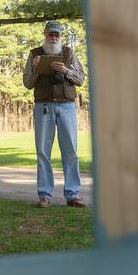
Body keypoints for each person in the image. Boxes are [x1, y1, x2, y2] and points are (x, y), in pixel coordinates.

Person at [23, 20, 86, 208]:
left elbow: (81, 78)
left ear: (60, 36)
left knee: (71, 152)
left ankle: (72, 195)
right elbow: (27, 83)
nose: (53, 37)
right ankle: (44, 195)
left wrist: (66, 71)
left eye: (56, 34)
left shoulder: (69, 53)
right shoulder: (34, 54)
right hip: (43, 107)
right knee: (43, 152)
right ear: (45, 34)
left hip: (66, 107)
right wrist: (34, 67)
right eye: (50, 34)